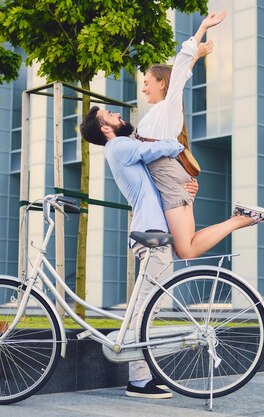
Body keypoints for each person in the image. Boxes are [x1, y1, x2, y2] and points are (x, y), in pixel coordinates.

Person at [136, 10, 264, 259]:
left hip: (170, 181)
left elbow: (178, 72)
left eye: (147, 81)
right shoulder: (157, 113)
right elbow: (179, 74)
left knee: (186, 250)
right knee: (184, 250)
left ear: (162, 84)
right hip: (170, 181)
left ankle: (239, 220)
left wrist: (201, 29)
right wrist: (197, 57)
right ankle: (239, 219)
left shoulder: (168, 107)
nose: (144, 86)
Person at [80, 107, 190, 399]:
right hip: (151, 234)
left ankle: (143, 374)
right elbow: (156, 148)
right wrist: (180, 144)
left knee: (145, 306)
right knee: (146, 307)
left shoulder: (120, 147)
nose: (117, 114)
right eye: (110, 115)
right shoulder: (119, 146)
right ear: (106, 129)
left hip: (153, 232)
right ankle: (139, 380)